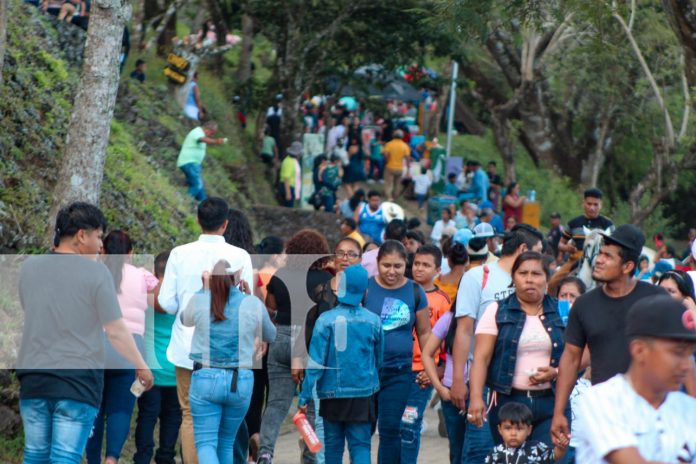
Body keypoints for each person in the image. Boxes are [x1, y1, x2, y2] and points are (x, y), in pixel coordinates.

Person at [17, 202, 153, 464]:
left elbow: (29, 310)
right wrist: (141, 365)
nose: (101, 245)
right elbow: (115, 330)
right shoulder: (96, 273)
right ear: (81, 235)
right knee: (65, 457)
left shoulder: (29, 267)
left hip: (34, 379)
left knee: (34, 456)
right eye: (98, 236)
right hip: (76, 383)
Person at [550, 224, 667, 450]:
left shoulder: (656, 299)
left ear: (628, 266)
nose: (599, 259)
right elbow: (571, 358)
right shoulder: (584, 304)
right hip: (604, 415)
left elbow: (679, 352)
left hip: (650, 414)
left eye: (607, 256)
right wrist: (559, 412)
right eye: (600, 253)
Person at [158, 198, 254, 464]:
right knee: (224, 421)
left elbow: (166, 303)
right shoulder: (240, 256)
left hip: (188, 350)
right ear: (225, 224)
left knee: (190, 416)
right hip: (229, 354)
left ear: (198, 221)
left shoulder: (179, 254)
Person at [451, 225, 544, 463]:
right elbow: (463, 331)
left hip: (520, 386)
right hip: (485, 382)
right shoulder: (477, 276)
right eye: (538, 251)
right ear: (524, 249)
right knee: (479, 450)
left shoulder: (533, 283)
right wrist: (460, 381)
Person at [573, 295, 696, 463]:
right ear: (639, 350)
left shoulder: (688, 409)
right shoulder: (602, 399)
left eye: (690, 354)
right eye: (678, 352)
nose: (686, 365)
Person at [179, 259, 276, 464]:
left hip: (205, 378)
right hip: (240, 380)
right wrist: (250, 299)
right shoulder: (250, 303)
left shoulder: (202, 299)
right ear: (238, 278)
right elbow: (271, 333)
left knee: (206, 443)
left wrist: (203, 290)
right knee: (226, 442)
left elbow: (184, 319)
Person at [467, 252, 567, 448]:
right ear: (513, 278)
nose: (529, 279)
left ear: (547, 277)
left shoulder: (564, 310)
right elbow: (481, 359)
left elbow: (581, 354)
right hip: (508, 403)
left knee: (548, 459)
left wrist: (556, 372)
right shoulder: (497, 310)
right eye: (523, 273)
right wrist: (476, 397)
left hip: (553, 403)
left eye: (536, 274)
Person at [257, 230, 332, 464]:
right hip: (310, 342)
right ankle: (311, 454)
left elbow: (270, 307)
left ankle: (266, 452)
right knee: (310, 405)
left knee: (276, 404)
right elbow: (326, 315)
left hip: (280, 338)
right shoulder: (325, 281)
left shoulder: (280, 275)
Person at [298, 265, 383, 464]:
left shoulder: (325, 320)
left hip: (331, 394)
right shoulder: (374, 322)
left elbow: (315, 363)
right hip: (363, 394)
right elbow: (379, 361)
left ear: (340, 289)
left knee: (333, 446)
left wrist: (305, 396)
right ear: (366, 291)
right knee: (361, 446)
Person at [86, 230, 159, 464]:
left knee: (94, 409)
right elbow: (162, 298)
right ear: (131, 253)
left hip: (97, 346)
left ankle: (94, 460)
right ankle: (112, 459)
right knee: (122, 409)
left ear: (103, 251)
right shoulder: (143, 276)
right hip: (131, 349)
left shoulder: (94, 273)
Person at [363, 240, 430, 464]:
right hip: (365, 372)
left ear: (406, 265)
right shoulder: (366, 288)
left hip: (399, 373)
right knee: (362, 430)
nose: (392, 271)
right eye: (386, 265)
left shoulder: (415, 291)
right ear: (378, 263)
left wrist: (429, 368)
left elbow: (425, 334)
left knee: (390, 429)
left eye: (398, 266)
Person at [404, 245, 452, 463]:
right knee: (391, 425)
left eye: (426, 265)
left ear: (438, 270)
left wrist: (436, 370)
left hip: (422, 375)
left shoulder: (442, 301)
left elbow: (447, 344)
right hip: (395, 370)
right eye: (416, 264)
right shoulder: (401, 291)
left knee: (409, 424)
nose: (419, 268)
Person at [134, 251, 182, 464]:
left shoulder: (145, 297)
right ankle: (166, 457)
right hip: (176, 370)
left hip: (149, 370)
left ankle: (142, 457)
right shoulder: (182, 299)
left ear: (155, 272)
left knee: (147, 417)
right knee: (172, 418)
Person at [484, 403, 567, 464]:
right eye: (508, 428)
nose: (513, 433)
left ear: (529, 430)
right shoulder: (495, 452)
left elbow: (554, 456)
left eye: (519, 429)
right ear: (500, 429)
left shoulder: (536, 448)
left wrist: (561, 447)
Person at [176, 121, 226, 202]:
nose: (211, 135)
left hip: (194, 164)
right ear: (207, 129)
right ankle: (183, 201)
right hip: (189, 162)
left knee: (201, 192)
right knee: (197, 185)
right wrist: (215, 141)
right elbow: (201, 139)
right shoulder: (197, 132)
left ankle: (204, 208)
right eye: (212, 133)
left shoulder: (200, 133)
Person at [558, 188, 614, 255]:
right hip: (576, 260)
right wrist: (567, 248)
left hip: (600, 261)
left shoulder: (608, 224)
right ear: (583, 203)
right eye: (589, 204)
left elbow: (615, 247)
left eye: (595, 204)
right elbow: (560, 244)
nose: (592, 208)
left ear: (601, 205)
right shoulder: (573, 223)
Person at [383, 129, 411, 201]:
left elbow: (385, 154)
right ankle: (395, 197)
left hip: (390, 166)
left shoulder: (389, 144)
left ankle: (389, 197)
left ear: (393, 135)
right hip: (400, 168)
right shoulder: (405, 145)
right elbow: (407, 158)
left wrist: (387, 161)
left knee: (389, 183)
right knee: (397, 184)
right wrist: (408, 169)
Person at [279, 141, 303, 208]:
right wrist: (288, 192)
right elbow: (286, 178)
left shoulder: (292, 161)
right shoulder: (289, 162)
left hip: (291, 186)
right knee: (288, 207)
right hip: (287, 187)